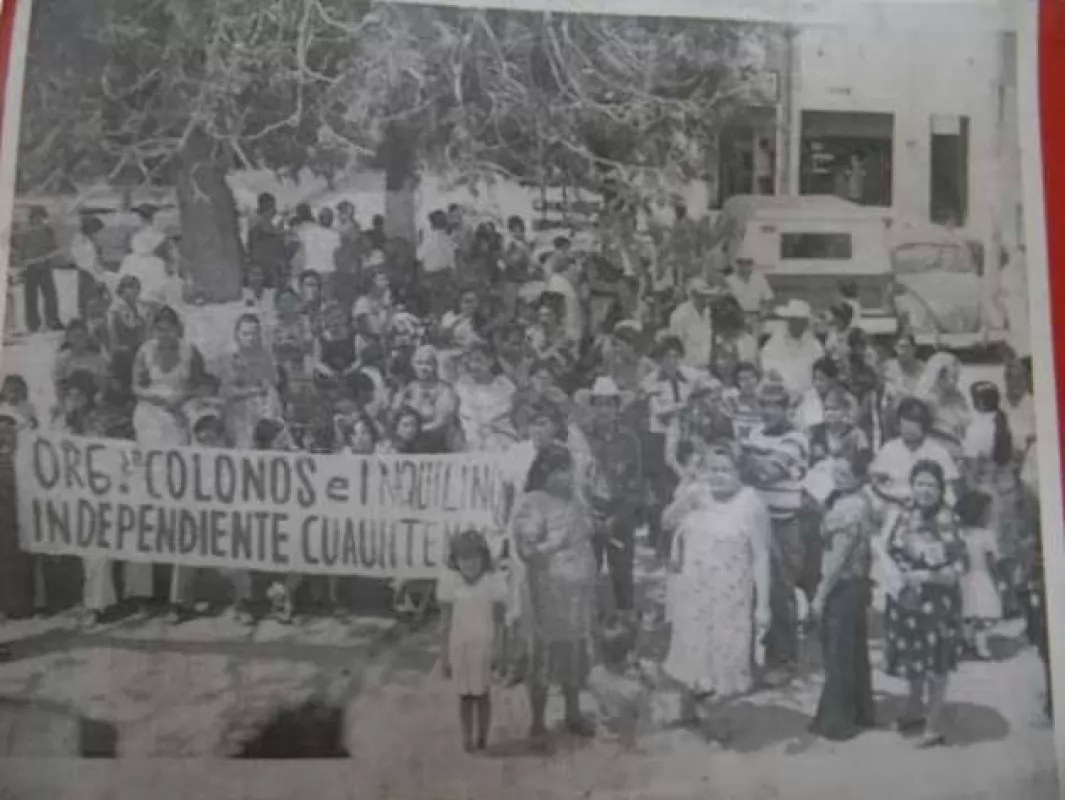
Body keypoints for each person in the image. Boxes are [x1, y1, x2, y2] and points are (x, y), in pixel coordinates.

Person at [662, 443, 771, 726]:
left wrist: (764, 606)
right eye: (713, 469)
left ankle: (717, 719)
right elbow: (666, 523)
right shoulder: (697, 494)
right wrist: (684, 496)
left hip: (730, 595)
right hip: (694, 589)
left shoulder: (751, 502)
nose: (719, 476)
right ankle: (687, 709)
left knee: (724, 654)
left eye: (726, 470)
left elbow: (761, 556)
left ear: (739, 472)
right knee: (692, 647)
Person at [511, 444, 598, 749]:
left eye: (568, 469)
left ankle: (573, 714)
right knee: (544, 654)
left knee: (573, 652)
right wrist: (555, 545)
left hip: (575, 592)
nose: (567, 475)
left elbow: (583, 534)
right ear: (545, 472)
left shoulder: (574, 500)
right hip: (547, 590)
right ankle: (537, 722)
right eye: (560, 469)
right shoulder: (534, 503)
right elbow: (527, 550)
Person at [130, 306, 209, 621]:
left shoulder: (190, 352)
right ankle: (144, 597)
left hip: (179, 424)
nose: (165, 333)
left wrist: (182, 397)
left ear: (178, 328)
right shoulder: (144, 352)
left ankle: (181, 599)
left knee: (180, 510)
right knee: (146, 510)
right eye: (159, 328)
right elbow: (134, 386)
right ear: (153, 330)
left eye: (170, 328)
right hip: (149, 423)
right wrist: (154, 398)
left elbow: (202, 384)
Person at [882, 460, 965, 748]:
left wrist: (924, 575)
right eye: (920, 483)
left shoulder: (948, 520)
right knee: (913, 659)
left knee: (936, 663)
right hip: (907, 600)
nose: (925, 490)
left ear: (941, 489)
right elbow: (891, 548)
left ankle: (932, 724)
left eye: (931, 484)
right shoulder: (905, 513)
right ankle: (914, 710)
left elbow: (955, 573)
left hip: (937, 604)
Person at [741, 378, 809, 680]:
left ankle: (784, 660)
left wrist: (746, 458)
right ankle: (757, 654)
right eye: (764, 405)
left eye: (775, 405)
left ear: (786, 408)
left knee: (781, 590)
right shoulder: (755, 432)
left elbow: (769, 473)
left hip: (784, 523)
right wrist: (753, 461)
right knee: (754, 588)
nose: (768, 411)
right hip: (754, 520)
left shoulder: (797, 438)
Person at [807, 453, 876, 741]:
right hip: (858, 584)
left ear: (859, 477)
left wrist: (821, 594)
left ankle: (837, 720)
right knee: (854, 651)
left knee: (837, 653)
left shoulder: (846, 509)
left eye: (844, 473)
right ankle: (861, 710)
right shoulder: (861, 500)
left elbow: (837, 557)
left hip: (843, 585)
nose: (837, 477)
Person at [580, 377, 644, 624]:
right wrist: (589, 515)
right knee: (588, 573)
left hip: (621, 516)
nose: (604, 410)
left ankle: (626, 636)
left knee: (622, 575)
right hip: (589, 516)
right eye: (599, 404)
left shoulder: (630, 441)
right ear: (592, 407)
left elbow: (634, 486)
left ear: (618, 408)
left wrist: (616, 519)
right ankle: (590, 632)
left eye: (610, 404)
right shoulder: (583, 439)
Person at [438, 529, 507, 754]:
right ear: (456, 561)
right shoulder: (451, 583)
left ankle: (482, 737)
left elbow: (499, 622)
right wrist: (444, 655)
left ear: (483, 559)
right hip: (460, 647)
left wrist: (500, 649)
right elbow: (445, 624)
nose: (469, 564)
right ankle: (466, 736)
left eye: (474, 559)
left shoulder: (491, 583)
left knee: (482, 694)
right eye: (463, 559)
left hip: (484, 646)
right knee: (464, 696)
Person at [871, 397, 961, 506]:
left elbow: (950, 490)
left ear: (925, 425)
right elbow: (876, 483)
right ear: (899, 425)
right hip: (891, 505)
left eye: (915, 422)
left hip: (927, 508)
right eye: (906, 422)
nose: (910, 429)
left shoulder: (939, 453)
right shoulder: (889, 449)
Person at [221, 314, 283, 448]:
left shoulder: (266, 357)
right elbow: (228, 391)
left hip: (263, 407)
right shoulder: (231, 358)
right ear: (237, 335)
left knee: (272, 400)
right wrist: (254, 391)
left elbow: (270, 384)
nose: (251, 338)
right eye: (246, 334)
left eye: (254, 333)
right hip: (238, 410)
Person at [954, 491, 1001, 660]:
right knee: (980, 616)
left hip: (963, 578)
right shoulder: (986, 535)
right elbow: (991, 561)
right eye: (987, 512)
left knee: (967, 613)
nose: (989, 516)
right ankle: (978, 645)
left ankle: (967, 642)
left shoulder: (958, 533)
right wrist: (998, 580)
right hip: (980, 578)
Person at [391, 344, 460, 453]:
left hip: (437, 448)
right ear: (413, 365)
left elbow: (441, 423)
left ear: (435, 366)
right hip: (408, 447)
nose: (423, 368)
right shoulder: (409, 388)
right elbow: (395, 415)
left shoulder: (445, 391)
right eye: (419, 363)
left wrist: (414, 432)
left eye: (428, 363)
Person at [0, 409, 34, 620]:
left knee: (14, 563)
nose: (5, 436)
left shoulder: (23, 459)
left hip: (16, 520)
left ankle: (15, 606)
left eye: (9, 431)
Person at [454, 342, 516, 453]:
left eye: (478, 360)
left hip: (502, 442)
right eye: (470, 361)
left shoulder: (504, 385)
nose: (473, 365)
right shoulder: (462, 386)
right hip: (470, 443)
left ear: (490, 361)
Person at [760, 299, 823, 398]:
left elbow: (820, 371)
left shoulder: (815, 345)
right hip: (781, 394)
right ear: (788, 321)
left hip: (808, 395)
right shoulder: (774, 342)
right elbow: (768, 366)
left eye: (801, 321)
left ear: (806, 323)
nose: (797, 324)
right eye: (793, 320)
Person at [915, 351, 971, 460]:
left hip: (957, 452)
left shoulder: (958, 397)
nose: (955, 380)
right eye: (953, 376)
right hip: (933, 455)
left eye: (956, 376)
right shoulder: (926, 401)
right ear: (939, 375)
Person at [15, 205, 62, 332]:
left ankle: (52, 320)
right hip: (30, 268)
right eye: (36, 217)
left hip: (45, 266)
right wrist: (22, 267)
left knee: (50, 295)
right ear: (32, 218)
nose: (38, 219)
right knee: (31, 297)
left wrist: (49, 256)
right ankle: (32, 324)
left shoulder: (48, 231)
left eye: (41, 216)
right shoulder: (25, 232)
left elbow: (55, 248)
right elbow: (21, 253)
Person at [107, 275, 148, 395]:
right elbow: (129, 326)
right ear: (123, 289)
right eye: (131, 287)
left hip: (134, 347)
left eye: (137, 288)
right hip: (122, 349)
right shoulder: (118, 306)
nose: (135, 291)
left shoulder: (135, 306)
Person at [52, 319, 111, 400]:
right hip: (72, 402)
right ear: (68, 338)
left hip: (95, 401)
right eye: (76, 336)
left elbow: (104, 386)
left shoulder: (98, 358)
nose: (79, 340)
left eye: (82, 336)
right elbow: (59, 387)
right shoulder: (62, 360)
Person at [668, 277, 716, 370]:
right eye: (700, 294)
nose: (704, 298)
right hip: (688, 367)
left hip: (709, 367)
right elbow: (676, 345)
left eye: (705, 295)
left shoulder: (710, 313)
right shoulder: (680, 315)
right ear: (692, 294)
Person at [419, 210, 457, 318]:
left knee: (443, 305)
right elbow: (420, 257)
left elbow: (451, 259)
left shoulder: (447, 238)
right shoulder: (431, 238)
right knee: (438, 306)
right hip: (435, 276)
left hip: (443, 275)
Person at [247, 192, 288, 289]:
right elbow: (252, 239)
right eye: (266, 204)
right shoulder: (254, 218)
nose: (268, 208)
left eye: (270, 205)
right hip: (260, 260)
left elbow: (281, 234)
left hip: (275, 260)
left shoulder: (278, 218)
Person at [69, 215, 108, 319]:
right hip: (87, 273)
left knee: (95, 298)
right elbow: (87, 261)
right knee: (88, 298)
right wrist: (97, 276)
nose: (96, 234)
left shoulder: (90, 240)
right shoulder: (80, 241)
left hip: (93, 272)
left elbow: (96, 259)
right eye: (95, 231)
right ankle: (87, 319)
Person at [119, 227, 169, 305]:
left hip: (143, 298)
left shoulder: (129, 259)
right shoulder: (157, 262)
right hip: (142, 298)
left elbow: (160, 285)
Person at [296, 204, 341, 287]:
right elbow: (337, 254)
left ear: (319, 218)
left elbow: (297, 241)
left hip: (310, 271)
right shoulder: (336, 235)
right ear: (331, 220)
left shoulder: (307, 231)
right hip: (328, 271)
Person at [793, 357, 842, 433]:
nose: (817, 384)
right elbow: (799, 423)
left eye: (821, 379)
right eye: (815, 379)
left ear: (832, 380)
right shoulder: (807, 397)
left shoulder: (844, 399)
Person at [724, 251, 774, 323]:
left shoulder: (760, 279)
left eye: (748, 262)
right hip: (735, 317)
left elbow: (768, 299)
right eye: (741, 263)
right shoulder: (729, 280)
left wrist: (763, 313)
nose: (745, 265)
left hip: (756, 315)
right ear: (737, 264)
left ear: (752, 264)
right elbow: (724, 301)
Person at [723, 360, 763, 444]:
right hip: (741, 444)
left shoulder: (764, 401)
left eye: (751, 377)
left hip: (762, 443)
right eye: (743, 379)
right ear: (737, 382)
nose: (748, 382)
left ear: (757, 378)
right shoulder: (732, 402)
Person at [882, 333, 925, 400]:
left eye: (906, 347)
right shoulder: (887, 367)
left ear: (914, 348)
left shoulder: (922, 369)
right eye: (900, 347)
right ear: (895, 348)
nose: (903, 351)